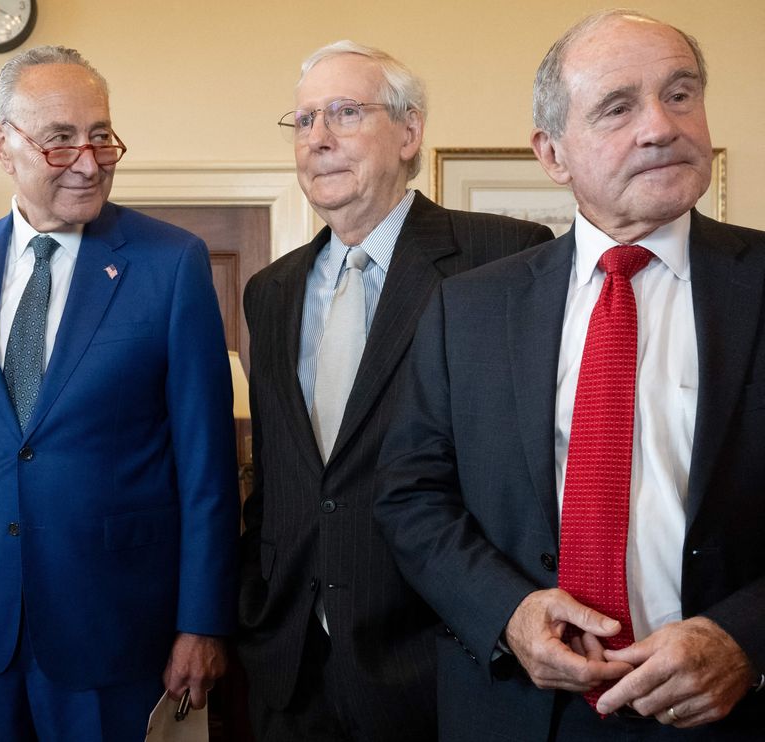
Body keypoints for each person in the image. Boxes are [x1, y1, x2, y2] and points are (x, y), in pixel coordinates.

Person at [376, 10, 765, 740]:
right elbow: (410, 496)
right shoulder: (468, 309)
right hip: (519, 709)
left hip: (730, 711)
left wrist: (746, 638)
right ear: (552, 153)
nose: (660, 126)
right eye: (618, 107)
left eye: (680, 94)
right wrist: (507, 612)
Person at [0, 45, 239, 741]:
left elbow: (207, 464)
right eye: (60, 140)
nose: (89, 162)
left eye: (101, 137)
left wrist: (202, 621)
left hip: (114, 621)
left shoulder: (170, 262)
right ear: (3, 144)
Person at [236, 42, 552, 741]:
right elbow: (283, 478)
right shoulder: (270, 291)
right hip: (290, 669)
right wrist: (253, 612)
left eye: (345, 113)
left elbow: (529, 478)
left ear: (409, 132)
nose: (318, 138)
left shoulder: (502, 257)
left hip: (438, 662)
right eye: (304, 120)